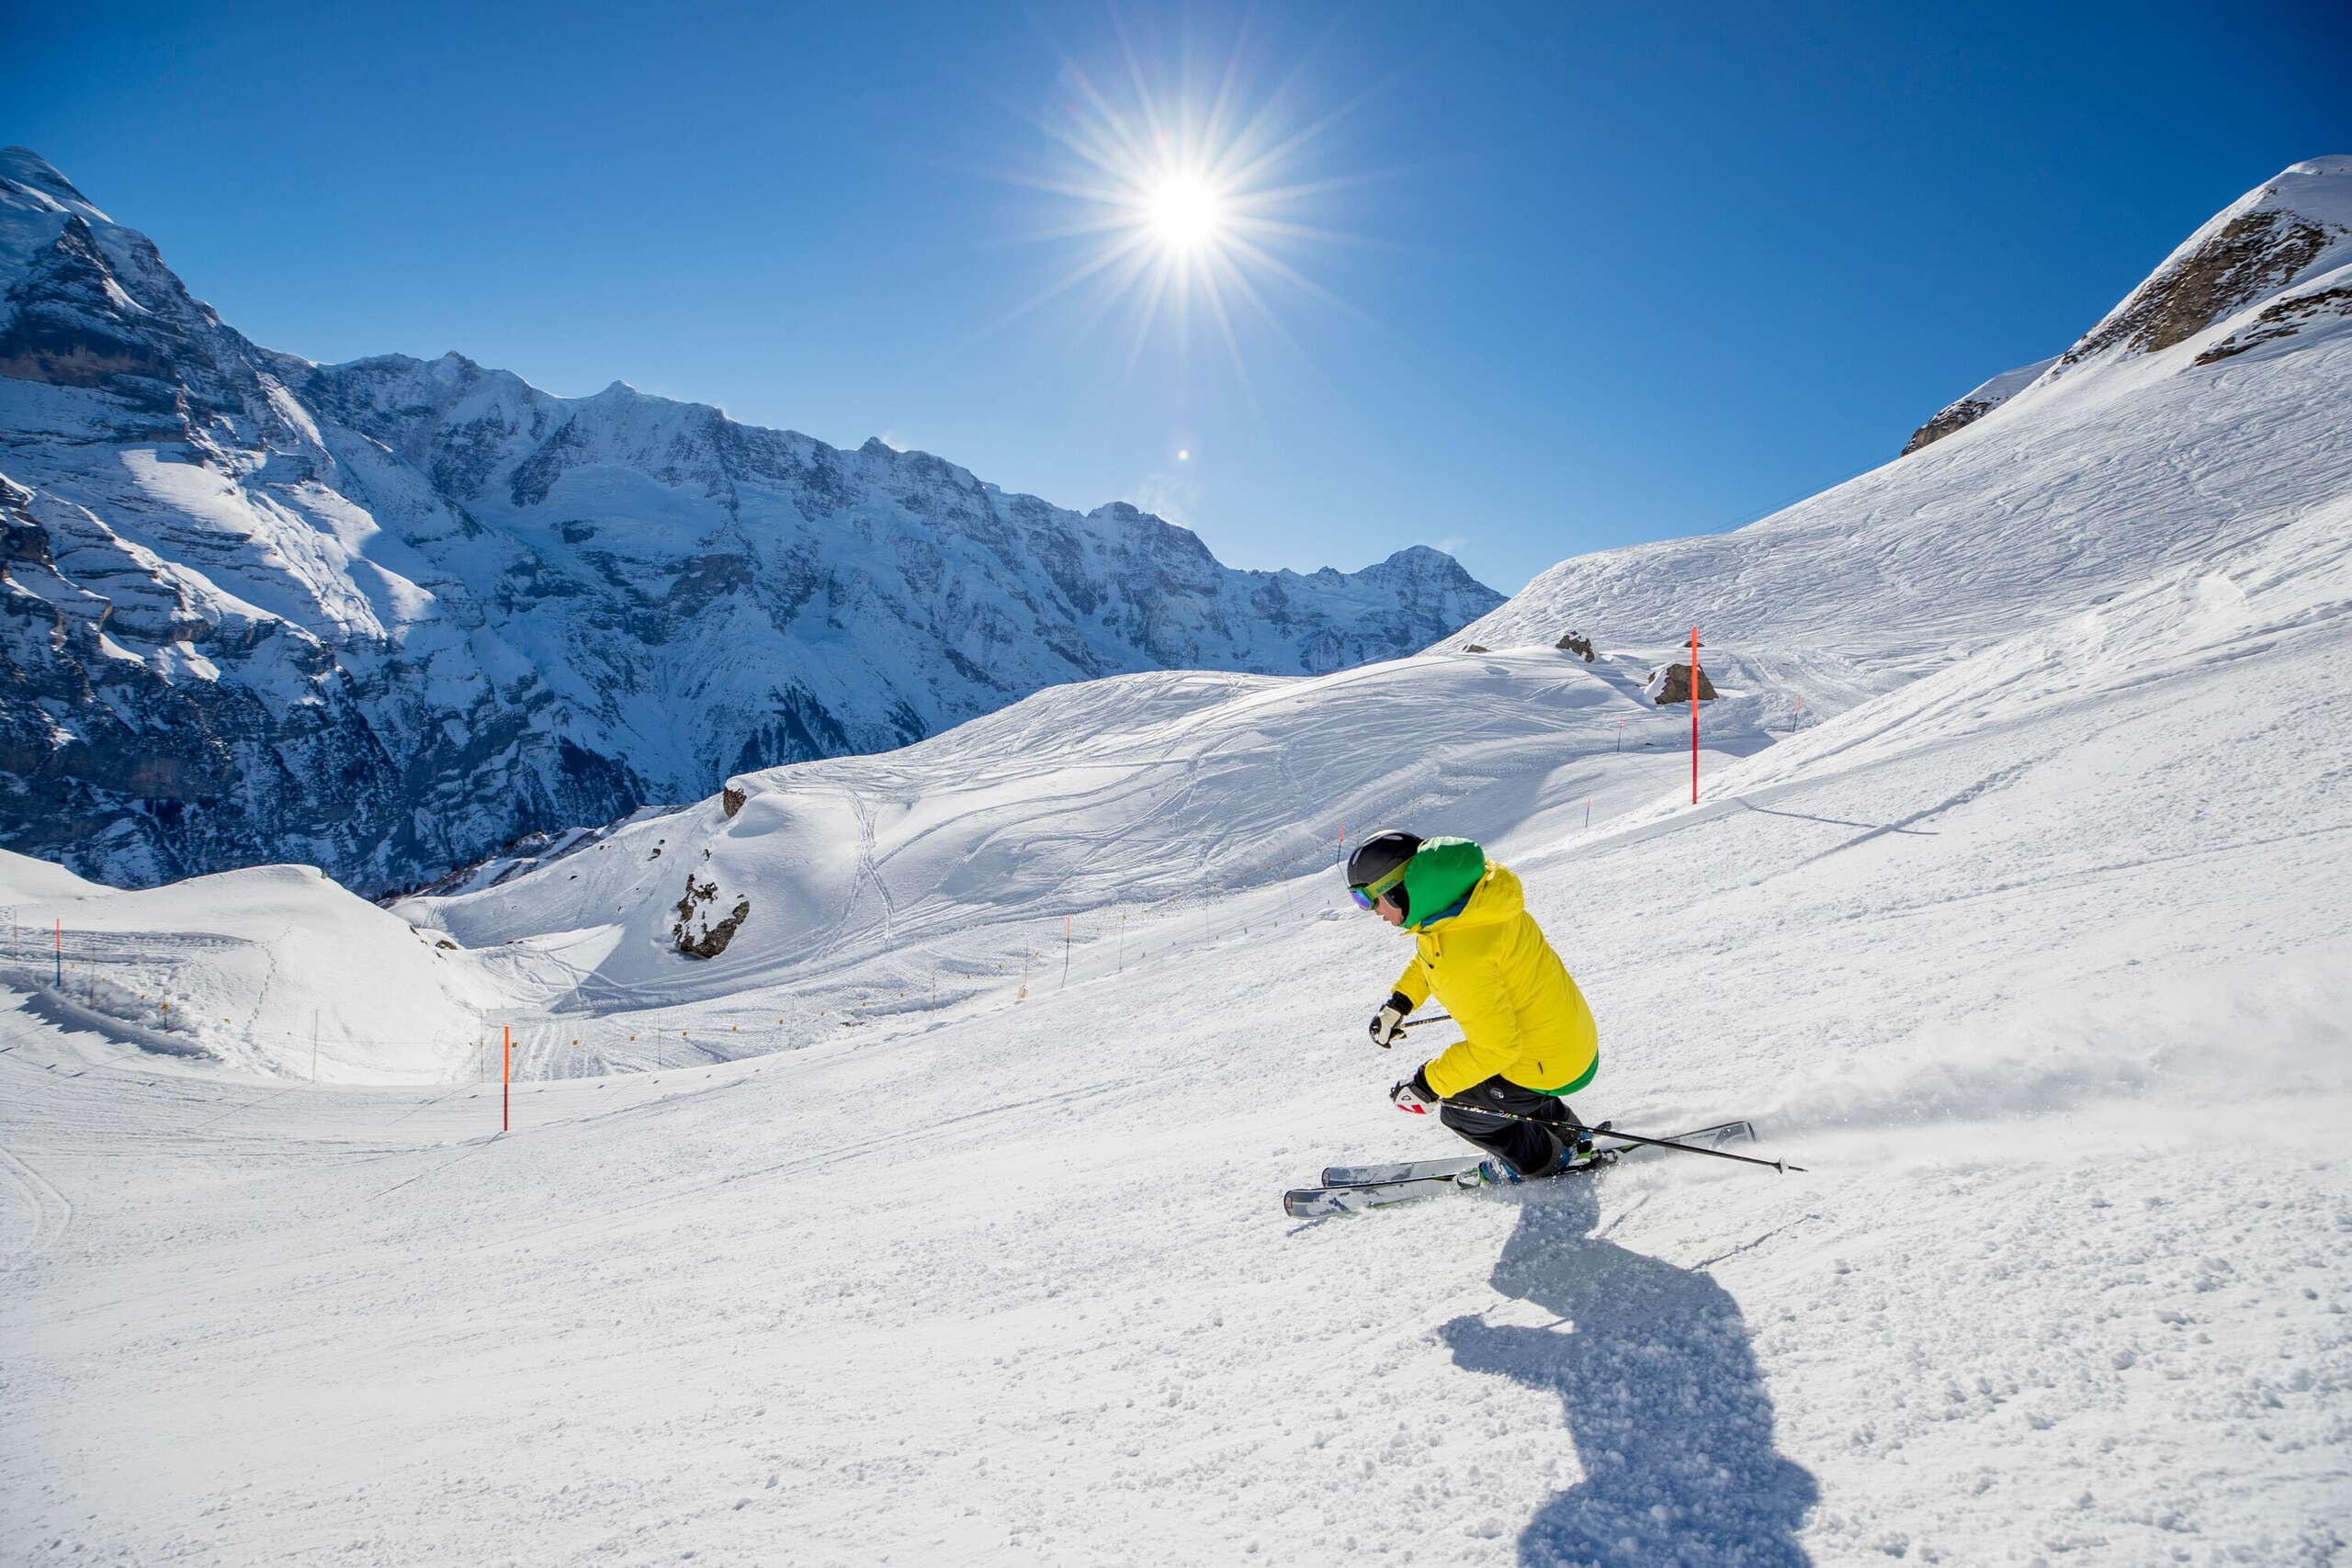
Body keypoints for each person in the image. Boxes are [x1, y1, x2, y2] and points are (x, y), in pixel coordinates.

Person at [1346, 829, 1600, 1180]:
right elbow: (1431, 955)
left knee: (1459, 1108)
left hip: (1550, 1063)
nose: (1372, 912)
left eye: (1367, 900)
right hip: (1568, 1040)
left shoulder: (1459, 954)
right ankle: (1572, 1136)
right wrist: (1400, 1002)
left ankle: (1545, 1161)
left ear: (1400, 889)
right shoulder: (1474, 904)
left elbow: (1495, 1049)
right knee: (1503, 1080)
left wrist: (1426, 1085)